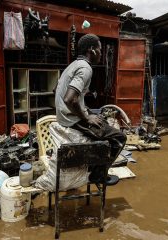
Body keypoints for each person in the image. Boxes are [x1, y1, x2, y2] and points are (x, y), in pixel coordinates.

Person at [55, 33, 126, 185]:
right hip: (71, 120)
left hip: (63, 116)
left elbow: (60, 92)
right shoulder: (85, 68)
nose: (101, 53)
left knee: (100, 119)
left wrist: (85, 109)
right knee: (119, 138)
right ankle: (98, 174)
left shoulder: (72, 65)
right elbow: (69, 98)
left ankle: (94, 166)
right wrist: (86, 117)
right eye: (100, 49)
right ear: (92, 50)